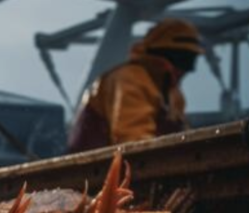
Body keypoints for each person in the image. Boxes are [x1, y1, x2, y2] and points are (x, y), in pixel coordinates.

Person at [67, 18, 204, 153]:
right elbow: (133, 143)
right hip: (98, 172)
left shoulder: (172, 93)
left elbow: (183, 136)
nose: (186, 71)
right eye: (185, 61)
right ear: (168, 56)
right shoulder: (129, 80)